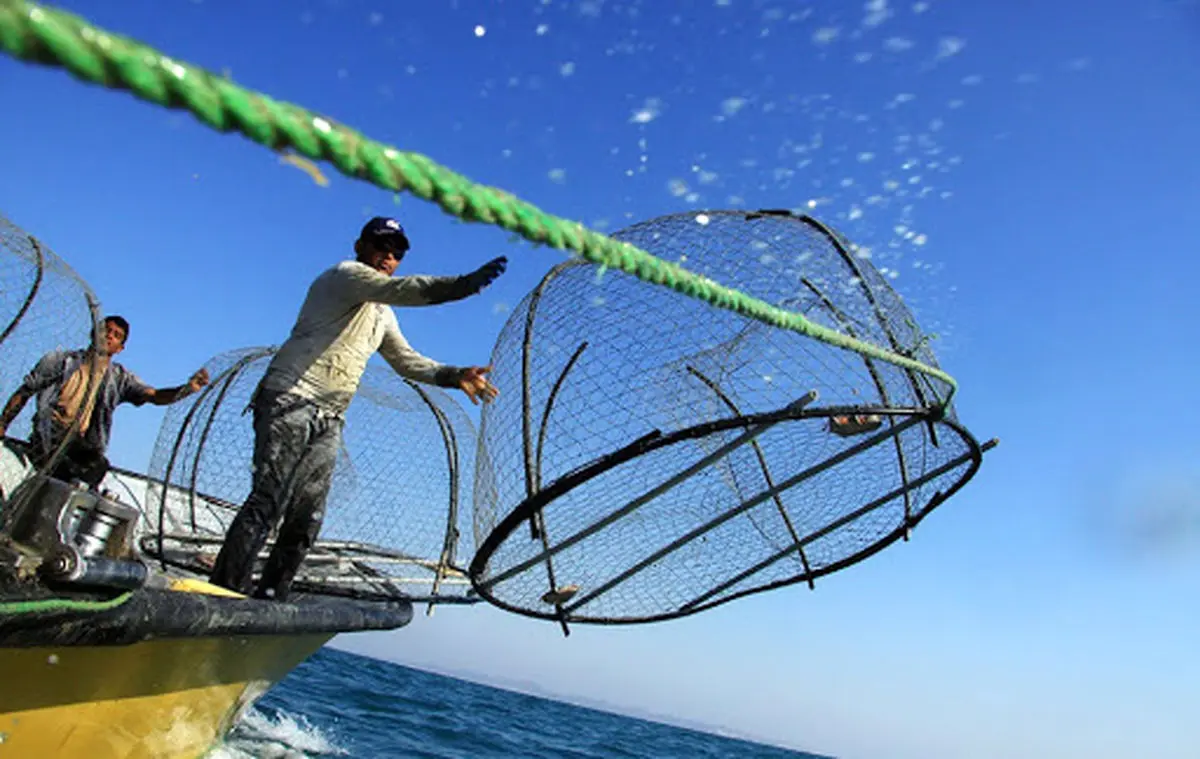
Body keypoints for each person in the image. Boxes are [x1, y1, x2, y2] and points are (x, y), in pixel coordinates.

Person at [209, 217, 505, 600]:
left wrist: (455, 374)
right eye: (381, 246)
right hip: (290, 398)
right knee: (270, 497)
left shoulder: (383, 313)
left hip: (330, 416)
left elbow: (407, 361)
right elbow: (405, 289)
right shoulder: (346, 276)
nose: (388, 256)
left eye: (397, 252)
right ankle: (223, 591)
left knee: (307, 515)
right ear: (360, 245)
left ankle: (270, 596)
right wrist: (463, 286)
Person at [0, 315, 211, 490]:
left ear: (120, 348)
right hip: (49, 435)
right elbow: (25, 391)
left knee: (96, 467)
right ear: (94, 332)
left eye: (116, 335)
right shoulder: (61, 361)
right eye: (106, 330)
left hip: (81, 444)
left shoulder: (118, 378)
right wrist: (2, 425)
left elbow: (154, 395)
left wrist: (187, 389)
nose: (109, 336)